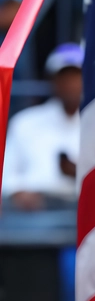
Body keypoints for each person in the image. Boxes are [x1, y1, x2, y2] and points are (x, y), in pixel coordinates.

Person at [1, 43, 82, 211]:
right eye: (64, 77)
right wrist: (18, 192)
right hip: (32, 214)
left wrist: (79, 172)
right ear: (53, 80)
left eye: (76, 76)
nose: (71, 84)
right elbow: (7, 175)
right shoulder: (25, 122)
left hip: (83, 211)